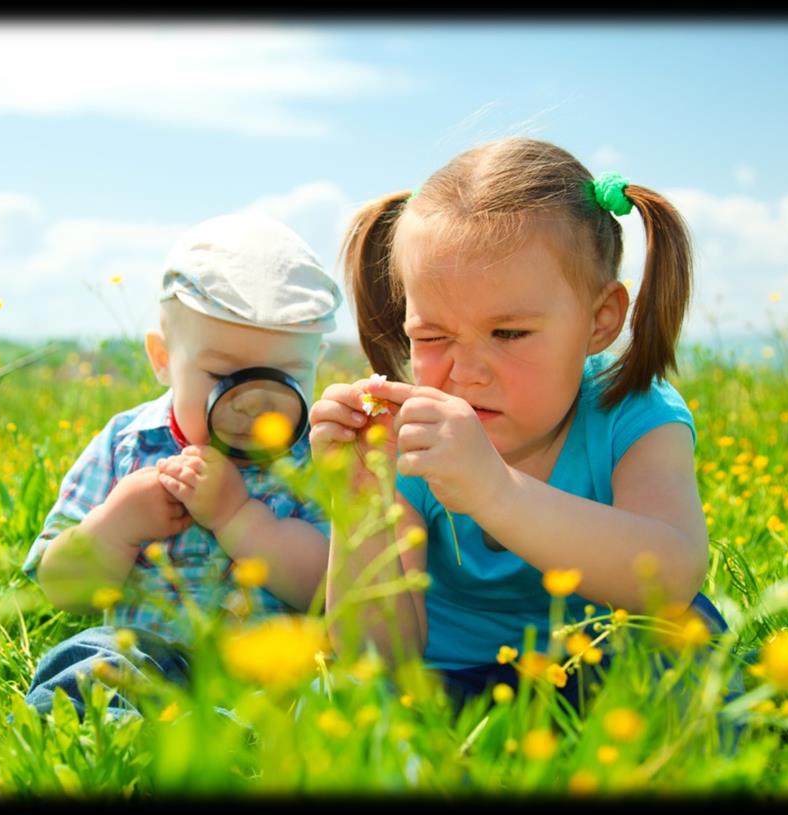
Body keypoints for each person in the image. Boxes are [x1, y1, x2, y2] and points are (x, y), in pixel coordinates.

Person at [309, 136, 736, 713]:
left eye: (508, 334)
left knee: (687, 652)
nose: (465, 373)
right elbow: (378, 657)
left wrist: (493, 491)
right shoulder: (405, 438)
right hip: (449, 680)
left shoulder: (633, 410)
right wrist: (358, 503)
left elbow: (673, 577)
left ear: (600, 320)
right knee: (338, 700)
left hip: (609, 669)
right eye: (431, 337)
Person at [21, 212, 342, 718]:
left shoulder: (318, 455)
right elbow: (61, 585)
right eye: (221, 374)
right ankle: (117, 738)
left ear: (316, 361)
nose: (253, 401)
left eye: (285, 376)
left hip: (275, 671)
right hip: (147, 661)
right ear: (163, 357)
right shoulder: (128, 444)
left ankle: (248, 745)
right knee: (91, 657)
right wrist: (116, 524)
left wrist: (239, 518)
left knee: (339, 687)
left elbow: (329, 590)